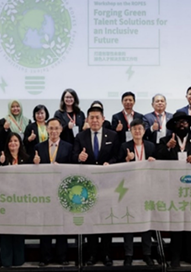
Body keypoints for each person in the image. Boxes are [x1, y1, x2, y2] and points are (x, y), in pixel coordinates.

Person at [158, 112, 191, 268]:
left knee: (190, 222)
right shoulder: (165, 140)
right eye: (178, 122)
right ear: (173, 125)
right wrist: (167, 148)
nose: (182, 124)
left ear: (189, 124)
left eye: (185, 122)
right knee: (176, 223)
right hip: (172, 189)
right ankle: (175, 256)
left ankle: (190, 254)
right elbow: (155, 159)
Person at [72, 106, 119, 266]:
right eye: (91, 117)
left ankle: (106, 254)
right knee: (91, 219)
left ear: (103, 119)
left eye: (97, 117)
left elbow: (117, 156)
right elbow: (74, 156)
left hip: (107, 184)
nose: (94, 120)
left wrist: (110, 163)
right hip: (87, 185)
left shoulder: (112, 135)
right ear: (87, 120)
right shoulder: (80, 136)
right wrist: (80, 157)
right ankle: (91, 254)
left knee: (106, 219)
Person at [33, 118, 72, 266]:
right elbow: (33, 169)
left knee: (62, 224)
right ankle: (45, 257)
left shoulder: (68, 147)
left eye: (56, 128)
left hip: (63, 190)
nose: (54, 131)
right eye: (51, 128)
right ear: (47, 130)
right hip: (44, 190)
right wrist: (35, 163)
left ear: (61, 130)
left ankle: (62, 257)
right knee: (46, 224)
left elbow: (73, 167)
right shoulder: (39, 147)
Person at [117, 118, 156, 266]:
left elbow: (160, 164)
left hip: (147, 189)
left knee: (146, 221)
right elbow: (117, 166)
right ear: (131, 131)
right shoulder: (124, 146)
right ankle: (128, 254)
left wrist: (154, 160)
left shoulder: (151, 146)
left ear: (144, 131)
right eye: (134, 129)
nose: (137, 131)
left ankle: (147, 254)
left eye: (140, 129)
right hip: (129, 189)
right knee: (129, 221)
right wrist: (127, 160)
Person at [0, 133, 30, 267]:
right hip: (5, 200)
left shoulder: (26, 158)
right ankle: (6, 261)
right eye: (10, 141)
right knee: (6, 231)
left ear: (20, 143)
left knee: (18, 231)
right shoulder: (2, 157)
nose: (13, 143)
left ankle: (19, 260)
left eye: (16, 141)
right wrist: (1, 163)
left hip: (21, 200)